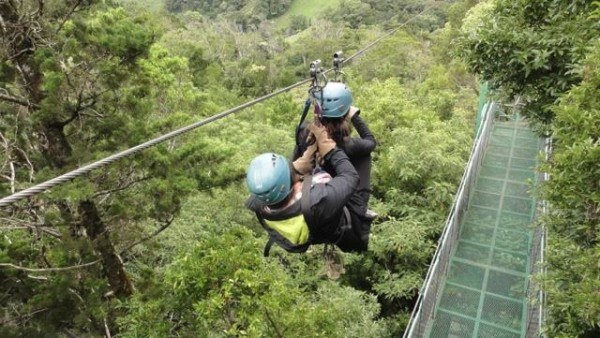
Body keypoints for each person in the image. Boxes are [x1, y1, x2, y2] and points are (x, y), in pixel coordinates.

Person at [245, 121, 361, 254]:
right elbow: (351, 176)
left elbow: (274, 185)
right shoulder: (319, 200)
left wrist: (299, 165)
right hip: (331, 222)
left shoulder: (260, 201)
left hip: (304, 226)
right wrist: (330, 150)